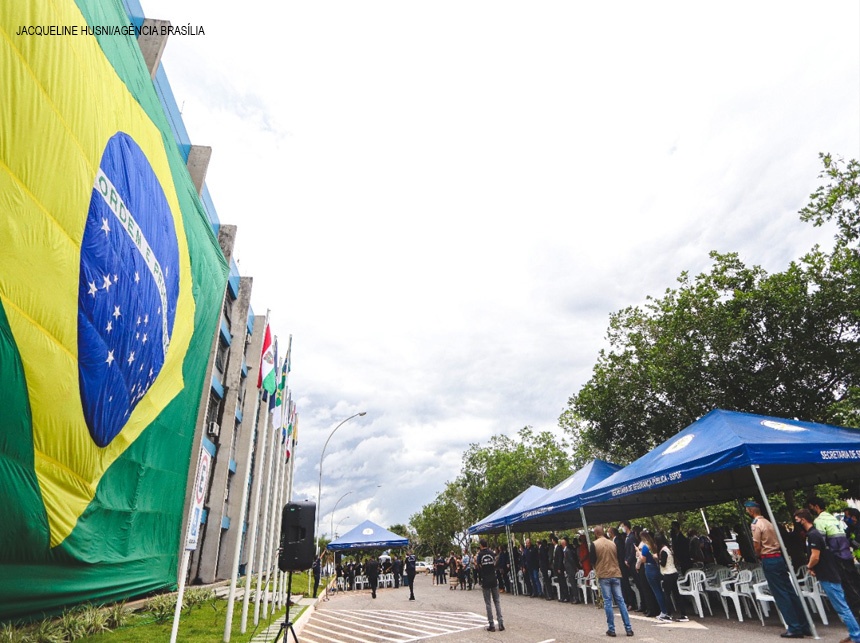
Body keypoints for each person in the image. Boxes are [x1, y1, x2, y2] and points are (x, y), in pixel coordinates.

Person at [745, 499, 810, 638]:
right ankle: (805, 624)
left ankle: (794, 627)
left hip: (768, 558)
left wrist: (758, 555)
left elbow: (757, 545)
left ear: (750, 511)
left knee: (781, 594)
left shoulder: (756, 524)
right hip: (779, 557)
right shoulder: (769, 523)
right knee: (790, 592)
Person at [794, 509, 860, 643]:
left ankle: (856, 635)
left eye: (797, 519)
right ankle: (854, 633)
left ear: (803, 519)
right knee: (842, 605)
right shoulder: (816, 534)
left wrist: (809, 566)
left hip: (828, 575)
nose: (796, 522)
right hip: (828, 573)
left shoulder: (813, 535)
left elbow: (815, 556)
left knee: (842, 607)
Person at [808, 496, 860, 615]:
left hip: (837, 558)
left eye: (810, 507)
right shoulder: (833, 518)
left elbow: (821, 544)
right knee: (854, 583)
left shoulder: (819, 521)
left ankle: (856, 616)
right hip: (847, 556)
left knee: (848, 588)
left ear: (816, 506)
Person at [590, 525, 634, 637]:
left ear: (595, 533)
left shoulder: (594, 544)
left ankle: (611, 629)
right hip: (615, 572)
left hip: (604, 574)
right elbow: (618, 556)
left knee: (608, 601)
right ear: (603, 532)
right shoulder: (612, 543)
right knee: (620, 600)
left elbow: (592, 560)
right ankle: (628, 628)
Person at [638, 530, 671, 622]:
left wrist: (639, 553)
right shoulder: (654, 545)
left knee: (656, 590)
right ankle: (665, 609)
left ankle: (663, 611)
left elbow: (643, 560)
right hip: (656, 568)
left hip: (649, 568)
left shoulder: (645, 547)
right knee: (660, 590)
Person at [655, 533, 689, 622]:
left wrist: (657, 559)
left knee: (667, 595)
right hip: (673, 572)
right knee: (676, 594)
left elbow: (663, 563)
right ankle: (683, 614)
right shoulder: (668, 549)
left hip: (667, 574)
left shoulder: (663, 551)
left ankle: (668, 614)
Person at [477, 538, 505, 632]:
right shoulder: (492, 553)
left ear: (481, 545)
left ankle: (492, 624)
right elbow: (495, 564)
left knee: (488, 603)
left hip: (485, 580)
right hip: (493, 579)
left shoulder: (480, 555)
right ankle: (501, 623)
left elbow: (478, 566)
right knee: (497, 601)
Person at [563, 535, 581, 604]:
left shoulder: (568, 551)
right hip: (568, 569)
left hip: (571, 570)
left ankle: (576, 598)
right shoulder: (566, 550)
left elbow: (571, 560)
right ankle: (574, 597)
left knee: (573, 584)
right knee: (572, 583)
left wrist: (575, 567)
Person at [552, 534, 569, 602]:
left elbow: (560, 558)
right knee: (560, 582)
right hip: (556, 568)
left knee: (563, 582)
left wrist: (559, 567)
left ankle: (566, 596)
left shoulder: (558, 548)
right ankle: (562, 596)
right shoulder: (555, 548)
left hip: (560, 568)